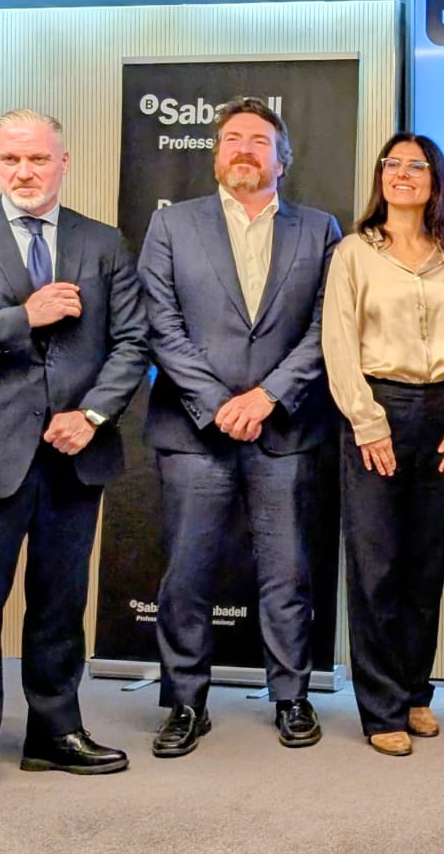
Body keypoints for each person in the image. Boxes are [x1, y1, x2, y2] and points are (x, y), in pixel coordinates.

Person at [0, 109, 148, 812]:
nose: (24, 172)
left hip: (75, 455)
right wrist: (25, 316)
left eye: (38, 159)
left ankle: (55, 731)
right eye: (11, 159)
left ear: (63, 162)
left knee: (60, 603)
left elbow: (133, 342)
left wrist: (92, 415)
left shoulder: (102, 242)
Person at [138, 96, 342, 756]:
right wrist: (220, 402)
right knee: (187, 574)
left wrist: (267, 398)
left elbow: (327, 328)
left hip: (284, 430)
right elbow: (159, 324)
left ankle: (292, 697)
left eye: (259, 141)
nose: (244, 150)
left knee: (287, 574)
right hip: (192, 429)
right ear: (216, 156)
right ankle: (184, 702)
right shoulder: (172, 226)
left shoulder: (319, 230)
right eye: (231, 139)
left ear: (282, 160)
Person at [321, 133, 444, 756]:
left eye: (416, 166)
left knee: (425, 563)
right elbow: (338, 344)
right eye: (393, 164)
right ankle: (381, 708)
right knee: (377, 564)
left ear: (436, 181)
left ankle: (416, 692)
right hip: (377, 409)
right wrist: (367, 422)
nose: (403, 173)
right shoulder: (354, 253)